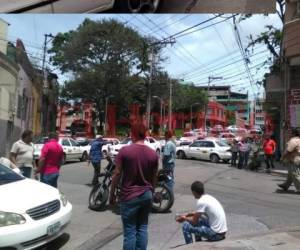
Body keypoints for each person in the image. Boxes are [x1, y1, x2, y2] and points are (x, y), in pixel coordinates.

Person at [109, 123, 159, 250]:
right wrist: (151, 192)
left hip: (129, 196)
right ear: (145, 135)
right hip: (146, 195)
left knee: (130, 232)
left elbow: (117, 174)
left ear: (133, 134)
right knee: (142, 228)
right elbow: (154, 177)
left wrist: (112, 194)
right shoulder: (153, 154)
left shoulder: (125, 151)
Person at [277, 129, 300, 193]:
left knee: (295, 174)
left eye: (290, 133)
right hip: (298, 158)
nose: (289, 134)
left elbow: (288, 151)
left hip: (295, 159)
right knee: (290, 174)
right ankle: (286, 185)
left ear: (293, 134)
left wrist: (282, 158)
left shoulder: (293, 141)